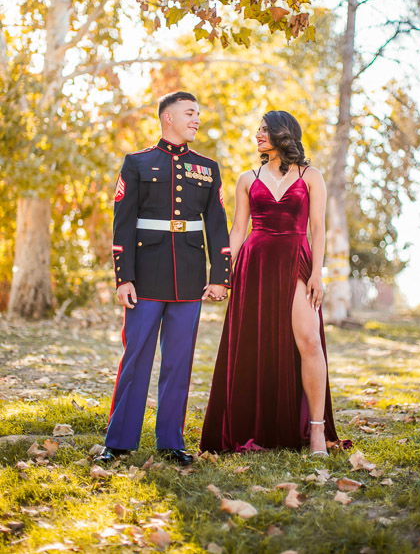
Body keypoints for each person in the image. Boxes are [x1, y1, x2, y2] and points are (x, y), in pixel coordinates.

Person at [200, 110, 350, 456]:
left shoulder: (311, 175)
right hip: (255, 263)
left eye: (265, 130)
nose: (258, 135)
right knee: (256, 344)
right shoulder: (247, 178)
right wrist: (222, 275)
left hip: (296, 261)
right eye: (258, 130)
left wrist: (317, 272)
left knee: (310, 340)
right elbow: (238, 230)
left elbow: (318, 228)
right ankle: (258, 427)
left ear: (284, 134)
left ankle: (315, 431)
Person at [95, 91, 231, 466]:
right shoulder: (137, 163)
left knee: (179, 361)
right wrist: (124, 279)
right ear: (167, 117)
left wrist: (220, 276)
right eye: (190, 112)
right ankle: (119, 441)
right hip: (145, 277)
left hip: (189, 278)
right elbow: (122, 225)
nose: (197, 119)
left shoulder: (207, 167)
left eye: (199, 113)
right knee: (136, 357)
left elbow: (217, 226)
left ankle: (171, 441)